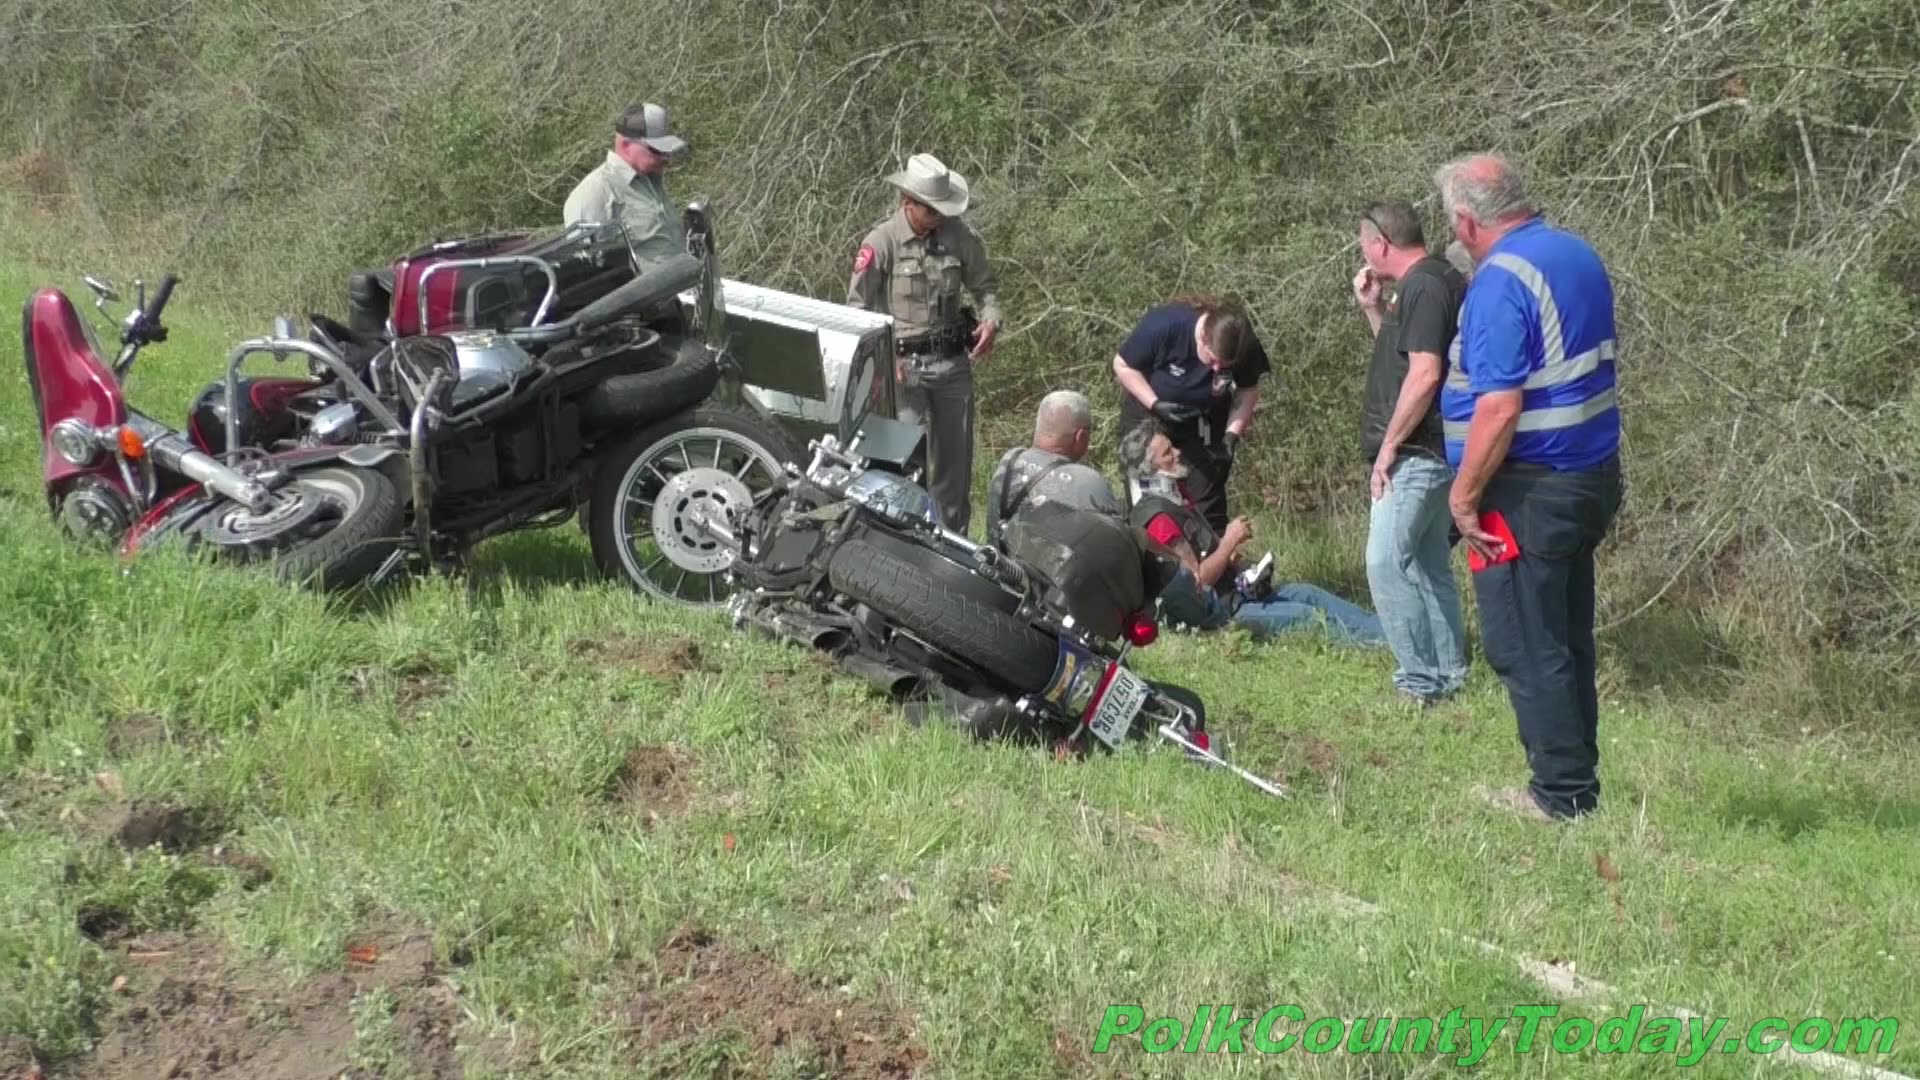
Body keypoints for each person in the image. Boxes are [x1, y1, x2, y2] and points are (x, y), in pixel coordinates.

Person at [1435, 153, 1624, 823]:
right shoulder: (1574, 253)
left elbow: (1498, 407)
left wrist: (1462, 497)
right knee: (1566, 634)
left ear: (1467, 220)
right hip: (1587, 477)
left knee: (1523, 641)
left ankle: (1560, 797)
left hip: (1525, 490)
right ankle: (1577, 783)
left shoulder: (1498, 281)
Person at [1117, 419, 1386, 646]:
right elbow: (1195, 584)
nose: (1177, 452)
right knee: (1308, 614)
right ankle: (1382, 646)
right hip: (1224, 614)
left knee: (1308, 593)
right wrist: (1229, 542)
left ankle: (1391, 633)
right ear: (1150, 471)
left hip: (1234, 594)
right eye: (1167, 453)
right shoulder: (1159, 519)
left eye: (1172, 446)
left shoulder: (1174, 498)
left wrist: (1233, 560)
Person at [1353, 199, 1471, 707]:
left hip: (1417, 454)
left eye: (1363, 244)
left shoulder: (1424, 286)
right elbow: (1407, 366)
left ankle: (1419, 681)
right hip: (1435, 450)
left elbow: (1425, 375)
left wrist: (1390, 448)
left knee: (1384, 563)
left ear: (1380, 243)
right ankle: (1450, 674)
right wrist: (1375, 310)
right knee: (1427, 564)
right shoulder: (1432, 283)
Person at [847, 153, 1002, 535]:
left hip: (952, 365)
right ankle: (904, 539)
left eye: (942, 210)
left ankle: (953, 542)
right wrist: (883, 361)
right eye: (931, 211)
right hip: (903, 370)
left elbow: (986, 287)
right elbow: (857, 310)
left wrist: (991, 320)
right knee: (904, 459)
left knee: (955, 464)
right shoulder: (881, 242)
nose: (939, 218)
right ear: (908, 204)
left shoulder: (958, 236)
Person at [1111, 295, 1271, 534]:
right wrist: (1155, 404)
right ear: (1203, 338)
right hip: (1149, 417)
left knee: (1208, 501)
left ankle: (1213, 559)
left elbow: (1247, 389)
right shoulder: (1165, 325)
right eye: (1213, 360)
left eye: (1225, 366)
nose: (1216, 370)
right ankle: (1157, 562)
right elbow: (1122, 365)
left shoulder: (1243, 343)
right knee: (1151, 505)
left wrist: (1230, 437)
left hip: (1201, 421)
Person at [984, 390, 1122, 546]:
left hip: (1000, 565)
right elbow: (1116, 546)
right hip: (1053, 570)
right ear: (1081, 436)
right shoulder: (1090, 482)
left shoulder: (1010, 460)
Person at [562, 102, 689, 271]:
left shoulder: (651, 181)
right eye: (657, 150)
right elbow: (584, 271)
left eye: (667, 151)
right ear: (626, 146)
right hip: (648, 296)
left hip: (682, 290)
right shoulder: (593, 193)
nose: (666, 158)